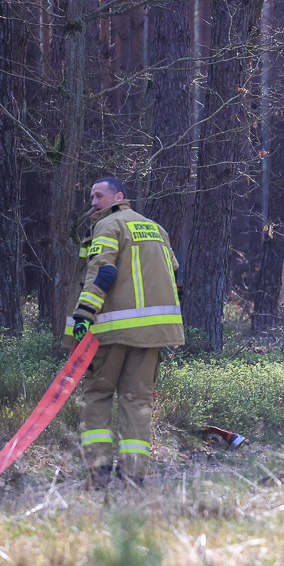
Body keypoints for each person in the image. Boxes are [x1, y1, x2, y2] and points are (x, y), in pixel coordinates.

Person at [64, 176, 185, 488]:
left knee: (97, 396)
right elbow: (174, 276)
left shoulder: (108, 226)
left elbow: (102, 271)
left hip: (111, 333)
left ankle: (99, 473)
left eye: (98, 195)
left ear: (118, 196)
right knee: (137, 401)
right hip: (151, 336)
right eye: (91, 196)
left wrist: (83, 315)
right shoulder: (156, 229)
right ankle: (133, 477)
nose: (92, 202)